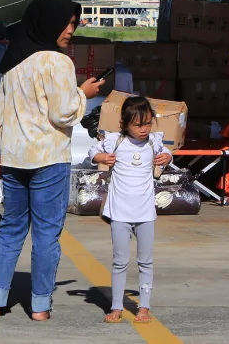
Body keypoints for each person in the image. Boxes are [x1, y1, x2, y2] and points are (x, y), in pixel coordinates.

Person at [0, 0, 104, 322]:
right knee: (46, 234)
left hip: (14, 158)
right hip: (48, 159)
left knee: (11, 229)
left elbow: (2, 113)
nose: (70, 30)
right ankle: (40, 306)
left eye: (73, 24)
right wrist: (84, 93)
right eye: (66, 23)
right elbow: (63, 113)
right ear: (48, 23)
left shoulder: (13, 62)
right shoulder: (58, 62)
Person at [88, 96, 172, 325]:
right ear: (124, 124)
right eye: (137, 125)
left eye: (147, 123)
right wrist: (101, 157)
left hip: (145, 213)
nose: (144, 129)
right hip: (120, 213)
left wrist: (167, 157)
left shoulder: (154, 142)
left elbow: (167, 154)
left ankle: (143, 306)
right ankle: (116, 307)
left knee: (146, 261)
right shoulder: (115, 141)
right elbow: (92, 151)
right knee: (120, 261)